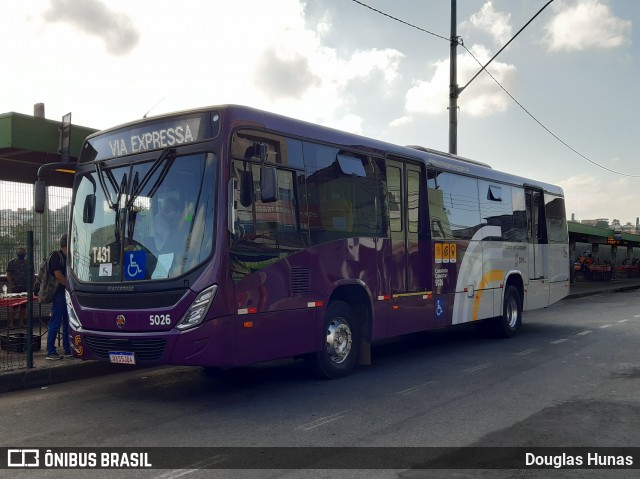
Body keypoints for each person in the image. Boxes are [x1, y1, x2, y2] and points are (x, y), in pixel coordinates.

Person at [46, 233, 71, 360]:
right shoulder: (56, 256)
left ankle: (68, 349)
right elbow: (58, 275)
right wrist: (71, 287)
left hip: (66, 294)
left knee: (67, 322)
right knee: (55, 322)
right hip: (59, 294)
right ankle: (50, 351)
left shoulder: (68, 257)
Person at [6, 246, 29, 328]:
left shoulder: (28, 263)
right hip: (15, 287)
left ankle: (21, 323)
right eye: (19, 252)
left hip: (25, 288)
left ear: (25, 254)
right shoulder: (12, 262)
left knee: (23, 306)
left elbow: (32, 275)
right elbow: (8, 275)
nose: (21, 254)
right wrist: (12, 285)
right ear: (16, 253)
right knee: (14, 306)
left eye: (22, 253)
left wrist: (31, 285)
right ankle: (11, 323)